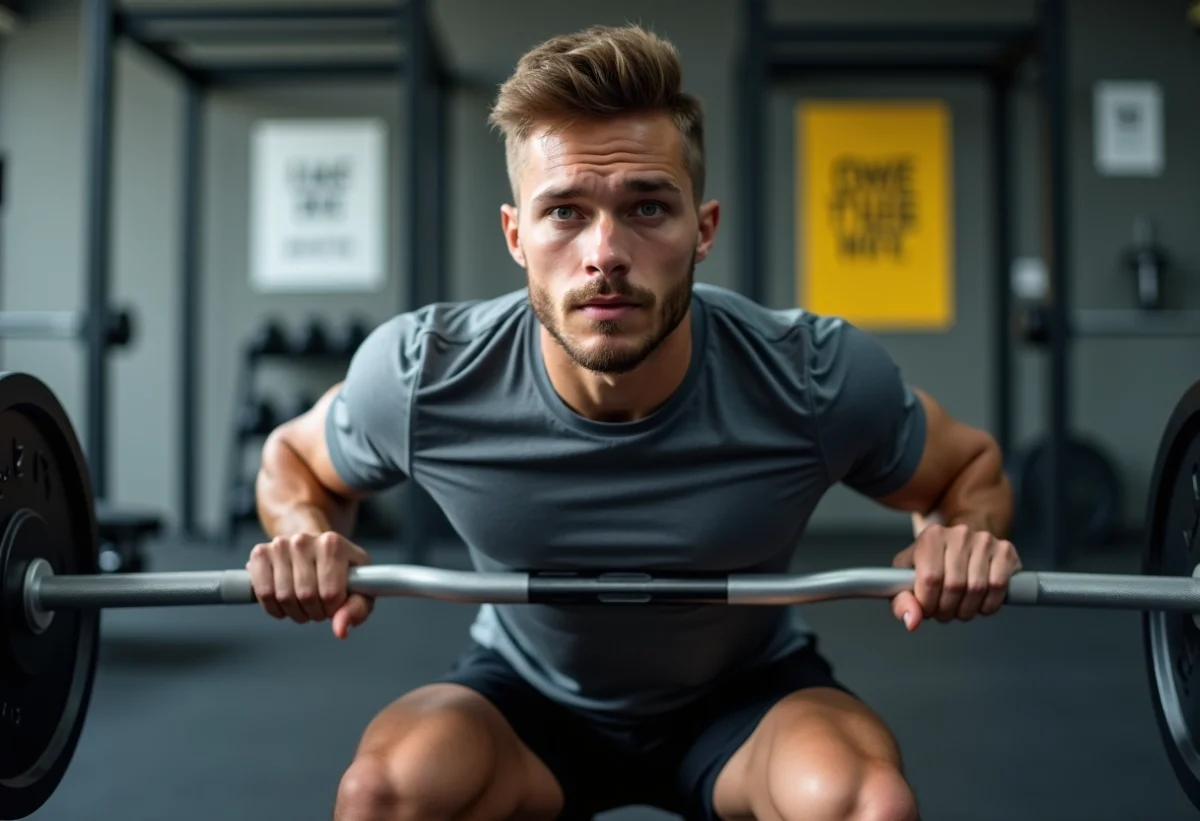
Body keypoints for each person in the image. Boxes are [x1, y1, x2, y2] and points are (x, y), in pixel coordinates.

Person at [250, 23, 1017, 821]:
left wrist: (959, 536)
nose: (605, 251)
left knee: (868, 802)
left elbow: (972, 471)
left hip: (747, 702)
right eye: (566, 212)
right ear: (516, 235)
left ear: (703, 230)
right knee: (382, 793)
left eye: (647, 206)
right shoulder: (426, 375)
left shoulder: (811, 374)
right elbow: (291, 460)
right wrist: (306, 534)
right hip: (523, 704)